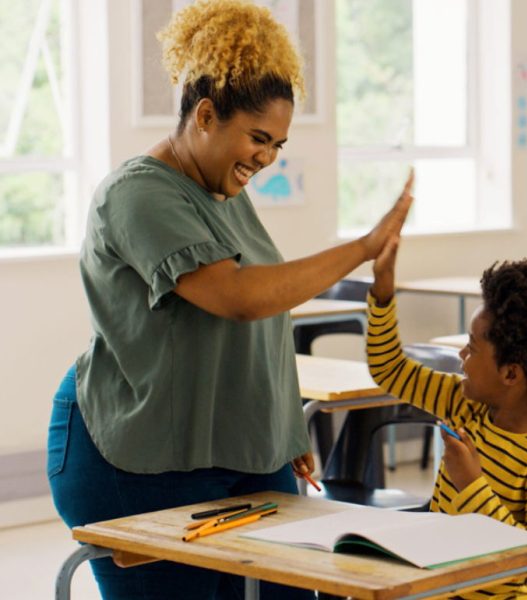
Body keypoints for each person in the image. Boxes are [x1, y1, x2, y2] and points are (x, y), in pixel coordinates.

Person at [46, 1, 411, 598]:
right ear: (206, 115)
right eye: (258, 138)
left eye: (278, 145)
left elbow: (264, 316)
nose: (266, 158)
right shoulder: (137, 194)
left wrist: (282, 429)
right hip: (133, 458)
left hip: (237, 451)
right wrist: (363, 248)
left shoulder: (223, 189)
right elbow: (237, 298)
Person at [366, 240, 527, 599]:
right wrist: (382, 295)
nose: (461, 355)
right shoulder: (464, 404)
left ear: (511, 374)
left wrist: (471, 485)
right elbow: (390, 370)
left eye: (472, 347)